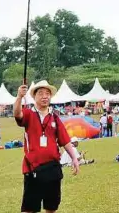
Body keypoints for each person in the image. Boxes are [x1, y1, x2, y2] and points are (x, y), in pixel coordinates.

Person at [14, 81, 80, 213]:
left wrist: (74, 158)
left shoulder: (54, 117)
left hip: (52, 168)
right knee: (29, 209)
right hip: (32, 168)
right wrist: (19, 97)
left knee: (51, 207)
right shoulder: (28, 114)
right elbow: (17, 114)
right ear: (34, 97)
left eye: (47, 93)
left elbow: (65, 140)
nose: (45, 96)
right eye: (41, 93)